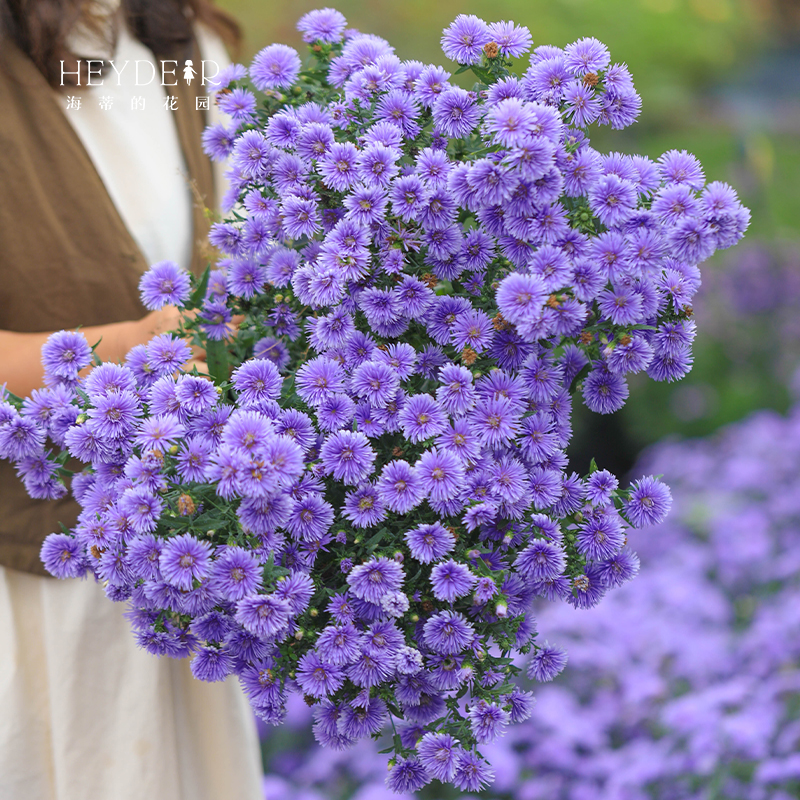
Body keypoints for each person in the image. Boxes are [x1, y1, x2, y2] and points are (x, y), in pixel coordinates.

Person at [0, 1, 263, 798]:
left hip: (179, 578)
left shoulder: (193, 52)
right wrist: (134, 348)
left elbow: (256, 267)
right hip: (26, 584)